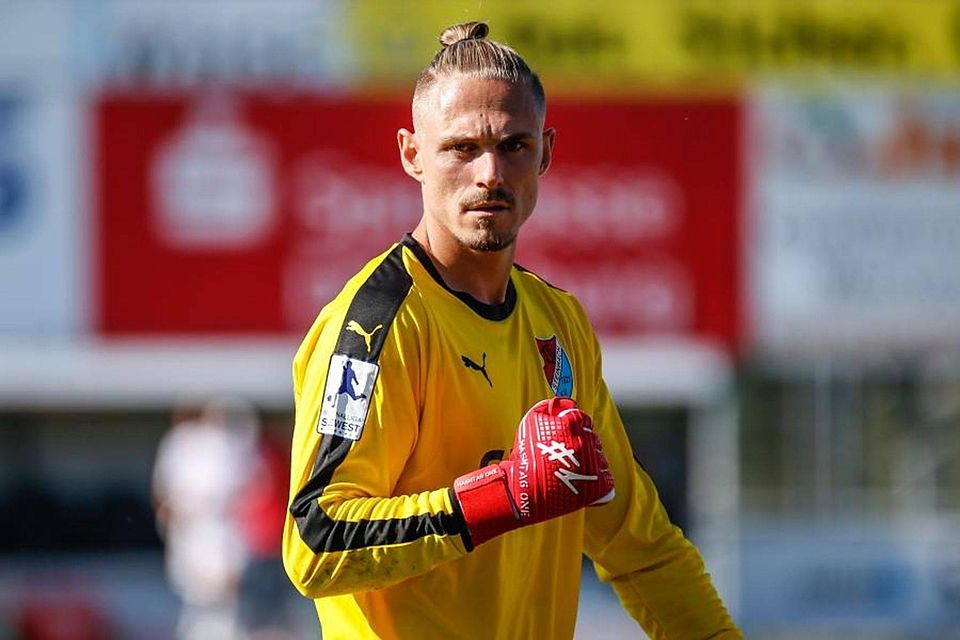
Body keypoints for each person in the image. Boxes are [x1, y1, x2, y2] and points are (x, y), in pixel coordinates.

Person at [283, 21, 742, 640]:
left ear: (546, 153)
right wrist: (498, 496)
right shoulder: (378, 324)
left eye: (514, 146)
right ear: (412, 154)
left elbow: (642, 548)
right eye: (461, 148)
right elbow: (316, 542)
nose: (490, 173)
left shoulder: (560, 322)